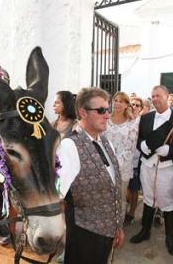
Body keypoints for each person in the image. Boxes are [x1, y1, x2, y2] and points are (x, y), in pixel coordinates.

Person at [57, 87, 124, 264]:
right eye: (101, 110)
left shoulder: (105, 141)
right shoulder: (69, 146)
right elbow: (57, 195)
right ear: (82, 112)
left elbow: (113, 188)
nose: (107, 115)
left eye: (107, 109)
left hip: (106, 234)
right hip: (83, 236)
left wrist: (117, 227)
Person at [130, 85, 173, 257]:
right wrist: (141, 145)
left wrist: (170, 151)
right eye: (152, 96)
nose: (155, 99)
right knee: (148, 197)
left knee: (168, 201)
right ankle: (145, 230)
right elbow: (140, 138)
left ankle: (170, 238)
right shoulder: (145, 118)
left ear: (167, 97)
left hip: (167, 168)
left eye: (158, 96)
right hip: (147, 165)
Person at [103, 91, 138, 223]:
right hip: (104, 165)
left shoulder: (132, 124)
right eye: (115, 100)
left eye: (121, 101)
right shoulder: (105, 119)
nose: (117, 103)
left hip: (122, 168)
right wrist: (106, 162)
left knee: (119, 198)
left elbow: (130, 148)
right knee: (104, 198)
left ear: (126, 105)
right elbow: (100, 141)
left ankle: (117, 227)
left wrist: (115, 165)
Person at [124, 97, 144, 225]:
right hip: (123, 161)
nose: (135, 107)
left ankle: (131, 213)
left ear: (141, 108)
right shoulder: (124, 120)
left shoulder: (142, 122)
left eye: (137, 105)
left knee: (134, 188)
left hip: (136, 160)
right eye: (132, 104)